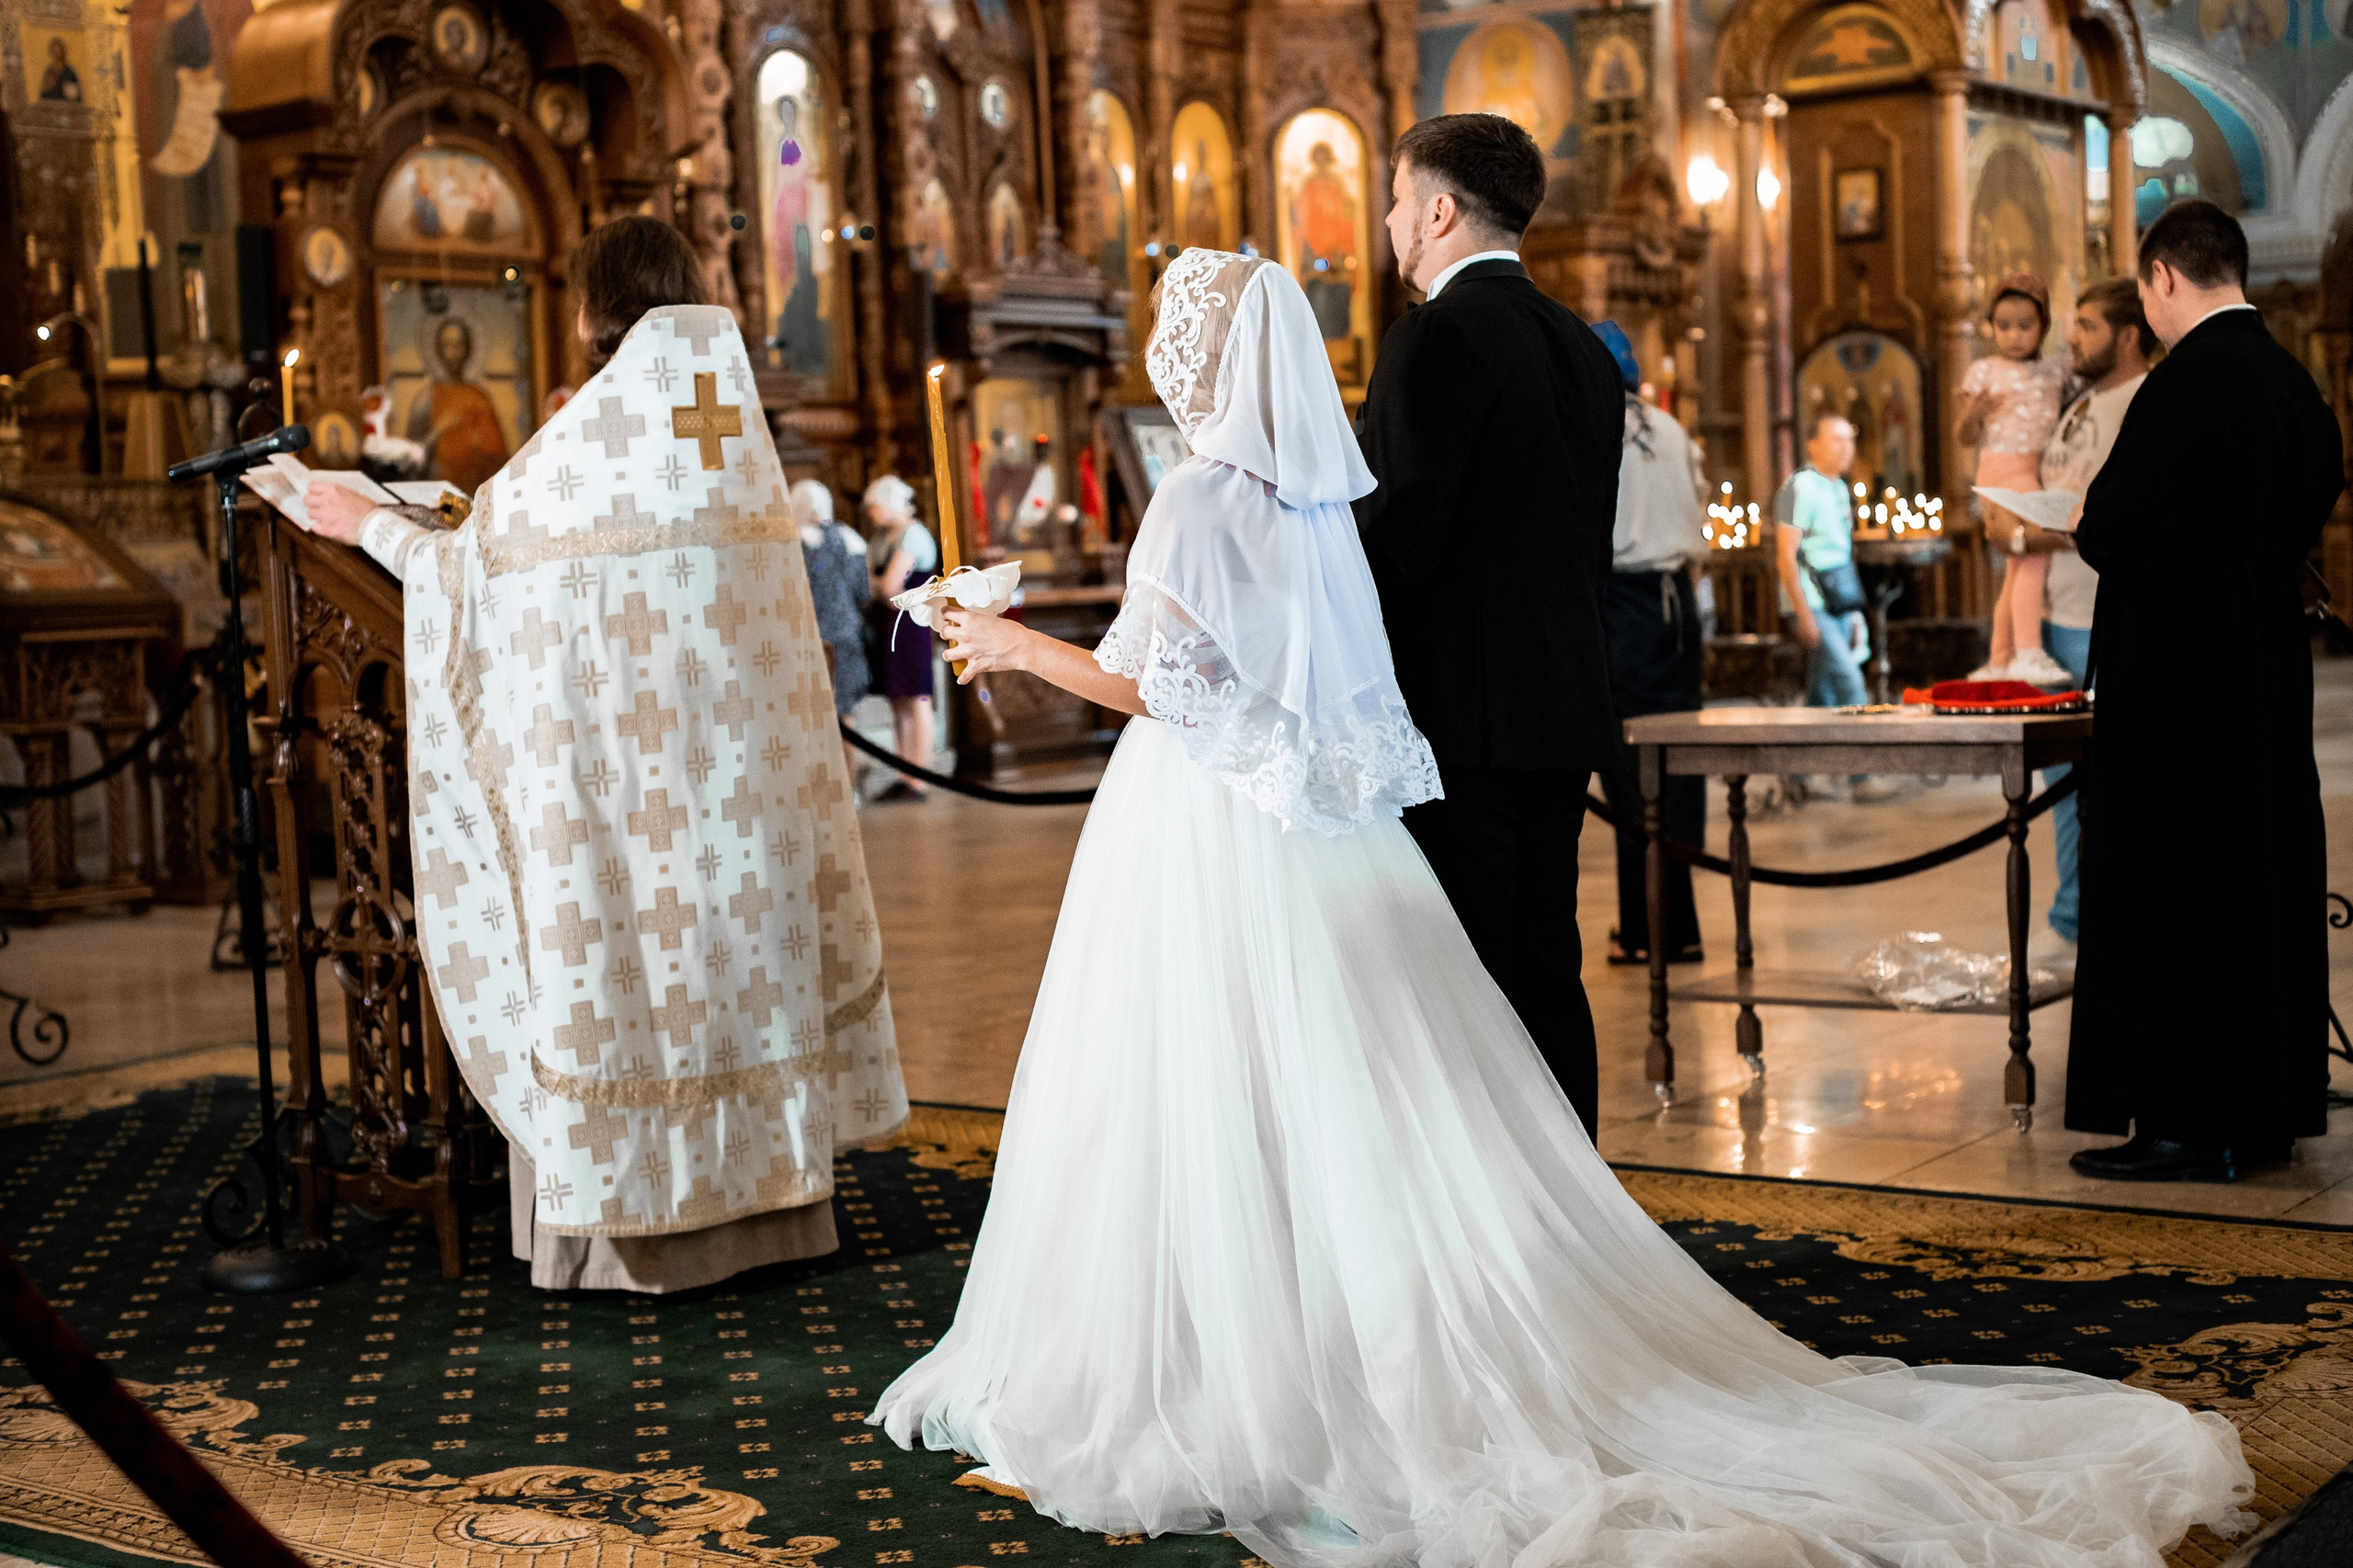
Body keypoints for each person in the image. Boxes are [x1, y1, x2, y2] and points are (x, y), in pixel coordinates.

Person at [866, 244, 2254, 1567]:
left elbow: (1160, 686)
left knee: (1194, 1078)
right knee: (1345, 1088)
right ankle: (1325, 1333)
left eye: (1181, 339)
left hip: (1199, 819)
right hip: (1318, 826)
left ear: (1205, 361)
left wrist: (1008, 640)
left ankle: (1216, 1351)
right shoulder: (1306, 500)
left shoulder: (1194, 495)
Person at [298, 215, 905, 1290]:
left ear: (592, 310)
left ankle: (634, 1242)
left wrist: (366, 525)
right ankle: (775, 1211)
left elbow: (469, 573)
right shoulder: (730, 429)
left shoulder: (591, 439)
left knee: (637, 984)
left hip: (628, 805)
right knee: (738, 971)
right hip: (741, 802)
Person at [1351, 112, 1623, 1135]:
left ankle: (1496, 1207)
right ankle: (1573, 1192)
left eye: (1395, 199)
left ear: (1437, 211)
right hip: (1560, 705)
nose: (1388, 222)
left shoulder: (1435, 335)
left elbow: (1398, 537)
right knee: (1544, 961)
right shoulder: (1583, 348)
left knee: (1462, 975)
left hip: (1456, 717)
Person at [2065, 199, 2341, 1183]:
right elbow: (2320, 486)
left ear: (2163, 278)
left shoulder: (2185, 382)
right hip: (2265, 661)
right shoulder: (2292, 378)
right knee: (2256, 872)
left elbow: (2119, 526)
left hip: (2178, 673)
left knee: (2176, 876)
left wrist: (2088, 517)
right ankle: (2262, 1116)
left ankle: (2183, 1121)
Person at [1999, 278, 2154, 971]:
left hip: (2104, 614)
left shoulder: (2145, 401)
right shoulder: (2082, 402)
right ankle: (2073, 919)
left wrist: (2030, 534)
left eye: (2087, 326)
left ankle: (2103, 924)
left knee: (2111, 783)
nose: (2071, 338)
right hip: (2058, 612)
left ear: (2128, 334)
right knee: (2064, 781)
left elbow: (2119, 515)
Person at [1591, 320, 1706, 968]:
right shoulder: (1671, 428)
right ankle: (1679, 928)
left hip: (1621, 604)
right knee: (1676, 764)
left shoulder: (1591, 426)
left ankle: (1644, 931)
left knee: (1630, 771)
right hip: (1677, 606)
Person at [1773, 413, 1898, 801]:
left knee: (1822, 693)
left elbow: (1842, 556)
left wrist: (1855, 613)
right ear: (1812, 444)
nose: (1846, 448)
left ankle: (1798, 776)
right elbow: (1785, 555)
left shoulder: (1840, 488)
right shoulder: (1796, 488)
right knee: (1850, 683)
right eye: (1836, 440)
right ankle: (1861, 778)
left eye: (1850, 439)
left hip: (1838, 602)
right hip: (1812, 603)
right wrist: (1803, 613)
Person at [1958, 273, 2072, 685]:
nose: (2013, 336)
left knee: (2017, 567)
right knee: (2034, 551)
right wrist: (1973, 413)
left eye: (2025, 326)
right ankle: (2028, 651)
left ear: (2043, 325)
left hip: (2039, 467)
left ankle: (2000, 658)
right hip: (2002, 468)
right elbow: (1964, 436)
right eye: (2003, 326)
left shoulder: (2056, 368)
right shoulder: (1985, 370)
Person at [864, 474, 939, 801]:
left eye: (875, 506)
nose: (871, 513)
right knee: (898, 700)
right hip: (888, 623)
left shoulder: (914, 535)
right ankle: (904, 773)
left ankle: (919, 777)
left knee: (917, 696)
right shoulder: (882, 537)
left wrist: (879, 586)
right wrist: (880, 587)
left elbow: (890, 587)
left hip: (911, 624)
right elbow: (872, 585)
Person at [794, 478, 870, 797]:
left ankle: (820, 793)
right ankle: (850, 790)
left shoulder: (795, 541)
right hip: (846, 634)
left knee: (810, 719)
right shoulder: (850, 538)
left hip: (809, 637)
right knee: (845, 714)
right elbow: (863, 591)